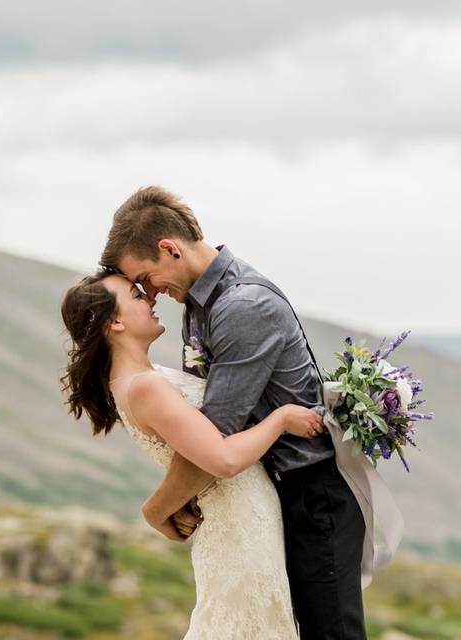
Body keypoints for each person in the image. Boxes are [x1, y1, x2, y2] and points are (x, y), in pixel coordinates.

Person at [97, 186, 368, 640]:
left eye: (144, 276)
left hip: (313, 494)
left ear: (170, 249)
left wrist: (159, 508)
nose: (149, 292)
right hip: (272, 495)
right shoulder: (200, 302)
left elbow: (214, 437)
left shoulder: (241, 306)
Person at [61, 268, 324, 640]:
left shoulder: (141, 379)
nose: (150, 298)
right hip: (238, 527)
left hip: (247, 518)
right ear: (115, 322)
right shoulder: (145, 387)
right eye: (137, 296)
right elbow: (223, 460)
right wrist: (281, 419)